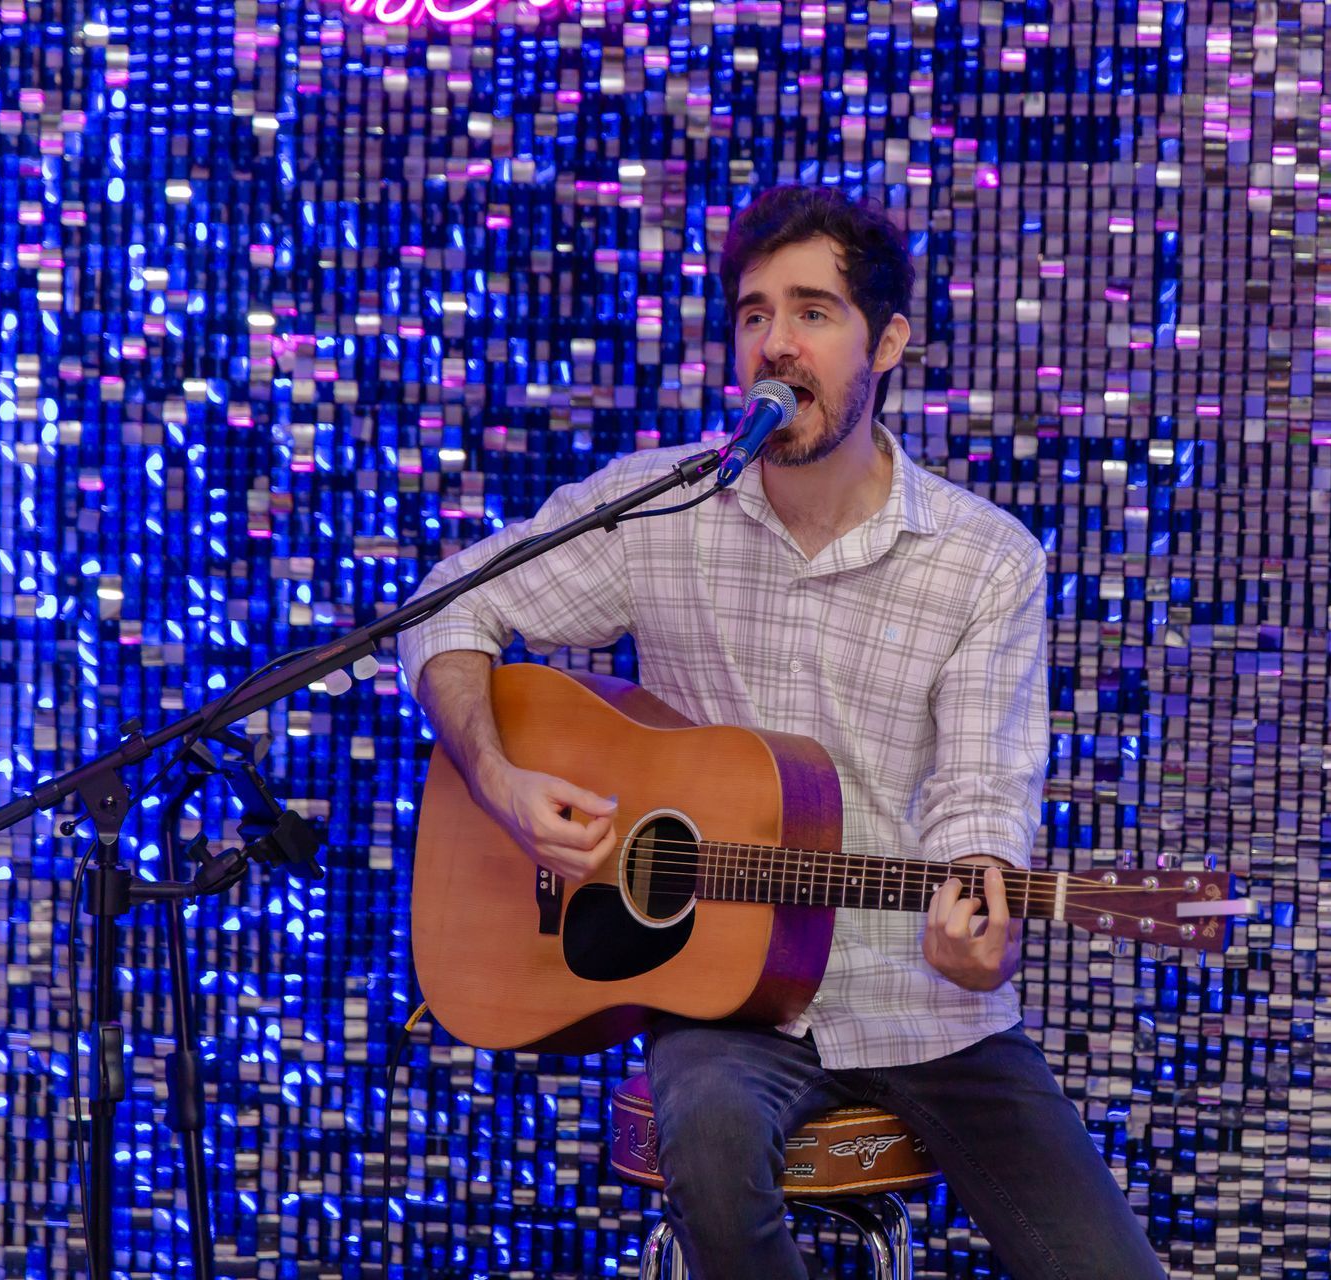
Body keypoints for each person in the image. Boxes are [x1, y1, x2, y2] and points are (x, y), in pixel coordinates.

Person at [397, 185, 1166, 1280]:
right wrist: (499, 778)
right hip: (726, 1004)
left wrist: (982, 910)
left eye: (813, 312)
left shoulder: (985, 559)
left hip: (924, 1005)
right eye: (755, 314)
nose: (776, 343)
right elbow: (446, 607)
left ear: (887, 343)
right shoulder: (659, 511)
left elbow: (981, 786)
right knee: (711, 1143)